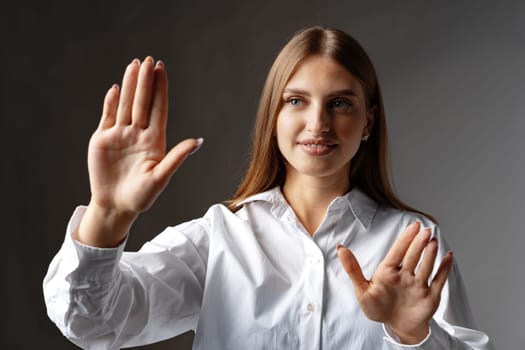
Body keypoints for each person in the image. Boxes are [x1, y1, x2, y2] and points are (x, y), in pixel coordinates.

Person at [43, 27, 493, 349]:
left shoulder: (414, 242)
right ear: (272, 117)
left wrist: (412, 336)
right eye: (296, 101)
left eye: (340, 103)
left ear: (368, 122)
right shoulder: (219, 238)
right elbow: (92, 324)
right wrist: (107, 213)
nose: (317, 123)